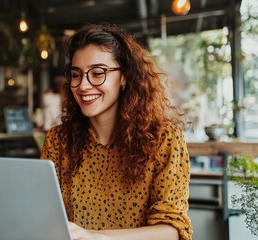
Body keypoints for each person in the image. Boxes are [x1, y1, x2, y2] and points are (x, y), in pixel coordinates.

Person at [40, 22, 192, 240]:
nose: (83, 85)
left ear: (124, 77)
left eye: (98, 73)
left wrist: (97, 237)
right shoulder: (58, 140)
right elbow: (45, 217)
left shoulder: (164, 139)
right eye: (76, 74)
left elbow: (172, 230)